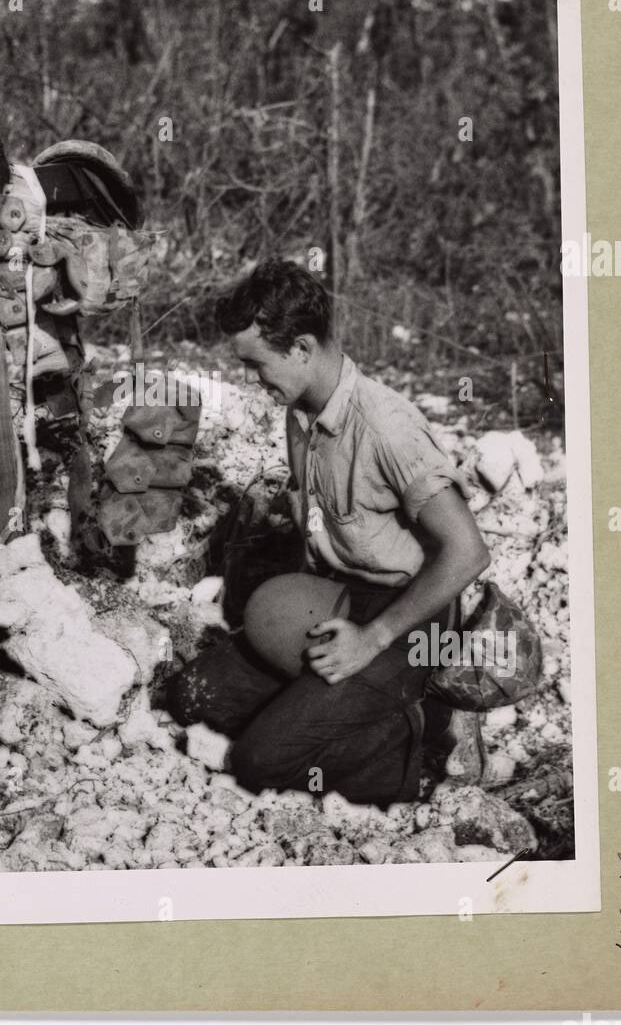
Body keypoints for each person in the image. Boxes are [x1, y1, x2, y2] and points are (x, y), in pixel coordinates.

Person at [167, 259, 490, 805]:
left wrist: (373, 639)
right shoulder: (301, 412)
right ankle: (331, 706)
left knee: (260, 760)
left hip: (410, 621)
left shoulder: (386, 428)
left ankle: (424, 736)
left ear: (300, 348)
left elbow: (468, 554)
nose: (252, 380)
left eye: (257, 364)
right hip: (344, 598)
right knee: (192, 697)